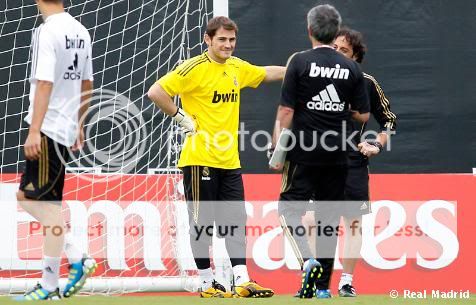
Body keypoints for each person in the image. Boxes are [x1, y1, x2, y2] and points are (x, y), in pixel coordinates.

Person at [148, 16, 285, 298]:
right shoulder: (192, 67)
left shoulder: (236, 67)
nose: (228, 45)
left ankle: (242, 280)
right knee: (201, 225)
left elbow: (264, 73)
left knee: (236, 222)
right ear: (207, 39)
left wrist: (296, 69)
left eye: (232, 40)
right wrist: (179, 115)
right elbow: (156, 91)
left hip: (229, 161)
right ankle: (206, 282)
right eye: (222, 39)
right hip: (199, 160)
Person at [271, 5, 370, 299]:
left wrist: (277, 150)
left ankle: (307, 261)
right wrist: (341, 111)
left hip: (303, 152)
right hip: (337, 154)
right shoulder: (352, 68)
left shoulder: (300, 62)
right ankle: (323, 288)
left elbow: (287, 109)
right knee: (328, 220)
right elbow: (364, 116)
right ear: (334, 29)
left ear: (310, 29)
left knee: (288, 210)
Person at [15, 0, 96, 300]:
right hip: (62, 128)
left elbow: (45, 82)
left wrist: (34, 130)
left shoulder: (47, 31)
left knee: (45, 207)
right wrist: (79, 123)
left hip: (48, 128)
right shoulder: (80, 30)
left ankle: (58, 277)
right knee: (27, 197)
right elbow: (87, 82)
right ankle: (73, 259)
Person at [320, 27, 396, 297]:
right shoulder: (313, 77)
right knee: (309, 221)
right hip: (316, 162)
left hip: (352, 163)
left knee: (353, 224)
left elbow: (389, 120)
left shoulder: (366, 83)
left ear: (355, 57)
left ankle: (346, 281)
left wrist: (376, 143)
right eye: (334, 48)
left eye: (344, 50)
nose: (338, 54)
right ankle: (316, 280)